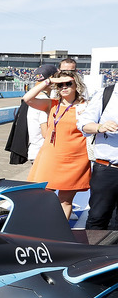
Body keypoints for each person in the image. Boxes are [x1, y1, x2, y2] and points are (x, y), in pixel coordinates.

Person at [25, 70, 90, 219]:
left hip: (76, 158)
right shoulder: (51, 104)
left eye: (68, 83)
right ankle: (41, 229)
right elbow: (27, 98)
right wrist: (49, 82)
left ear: (76, 84)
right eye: (61, 85)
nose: (64, 87)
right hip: (51, 157)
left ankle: (59, 234)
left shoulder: (87, 106)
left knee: (66, 200)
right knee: (40, 196)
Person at [78, 83, 118, 229]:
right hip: (107, 169)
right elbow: (83, 123)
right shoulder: (106, 94)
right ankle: (92, 252)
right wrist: (100, 127)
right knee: (97, 218)